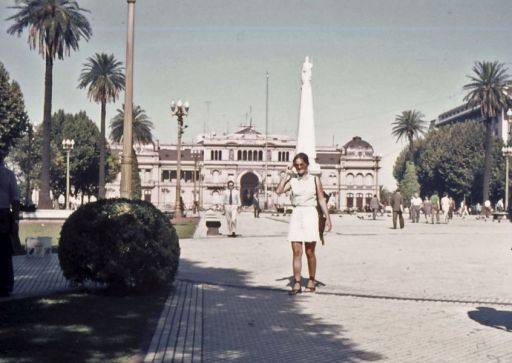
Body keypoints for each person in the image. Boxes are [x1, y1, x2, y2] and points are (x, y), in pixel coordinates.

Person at [276, 152, 332, 295]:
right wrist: (286, 174)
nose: (299, 167)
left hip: (310, 214)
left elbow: (321, 199)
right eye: (296, 165)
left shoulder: (315, 180)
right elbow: (279, 191)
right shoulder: (293, 180)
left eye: (301, 164)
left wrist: (328, 218)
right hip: (297, 214)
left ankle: (312, 280)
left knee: (309, 251)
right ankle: (297, 282)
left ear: (307, 164)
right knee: (296, 251)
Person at [0, 150, 20, 297]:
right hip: (4, 215)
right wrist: (15, 219)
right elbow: (15, 199)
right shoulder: (8, 174)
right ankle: (6, 285)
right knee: (5, 251)